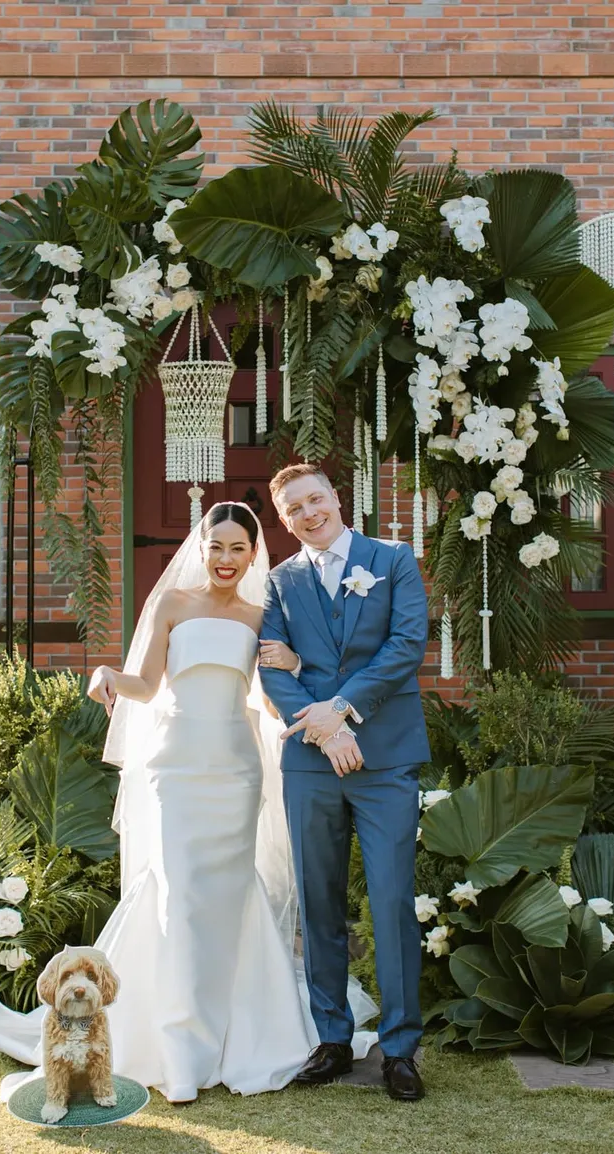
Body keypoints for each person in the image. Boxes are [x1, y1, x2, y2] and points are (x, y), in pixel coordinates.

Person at [0, 501, 377, 1104]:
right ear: (201, 548)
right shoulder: (171, 603)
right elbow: (145, 685)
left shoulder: (263, 616)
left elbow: (274, 701)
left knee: (231, 894)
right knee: (179, 897)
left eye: (238, 549)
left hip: (236, 768)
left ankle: (240, 1033)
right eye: (216, 547)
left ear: (253, 554)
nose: (225, 559)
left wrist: (295, 663)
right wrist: (108, 675)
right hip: (177, 768)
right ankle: (179, 1051)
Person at [259, 464, 430, 1103]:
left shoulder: (393, 559)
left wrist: (343, 709)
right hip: (311, 762)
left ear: (337, 498)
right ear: (285, 521)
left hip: (385, 760)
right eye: (294, 509)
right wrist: (326, 733)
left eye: (316, 499)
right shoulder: (279, 582)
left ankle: (400, 1048)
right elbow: (271, 667)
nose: (309, 514)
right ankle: (331, 1039)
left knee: (391, 901)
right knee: (319, 902)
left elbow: (406, 644)